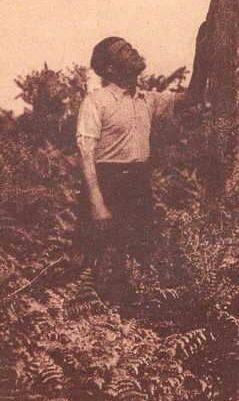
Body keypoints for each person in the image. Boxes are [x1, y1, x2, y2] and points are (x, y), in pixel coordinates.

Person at [74, 36, 188, 304]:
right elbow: (86, 155)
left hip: (138, 186)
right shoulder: (97, 102)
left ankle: (132, 321)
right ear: (111, 69)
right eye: (124, 51)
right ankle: (100, 324)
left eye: (130, 46)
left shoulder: (147, 99)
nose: (134, 51)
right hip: (107, 184)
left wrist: (203, 48)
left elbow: (191, 99)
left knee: (140, 253)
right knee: (101, 259)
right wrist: (97, 204)